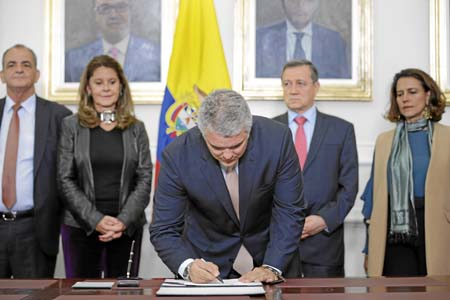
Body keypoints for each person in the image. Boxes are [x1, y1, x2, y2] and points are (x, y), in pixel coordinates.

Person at [150, 89, 305, 283]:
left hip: (270, 259)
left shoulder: (277, 140)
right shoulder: (177, 155)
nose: (228, 155)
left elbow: (290, 211)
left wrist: (272, 267)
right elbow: (163, 228)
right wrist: (188, 267)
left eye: (236, 146)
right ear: (204, 134)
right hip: (208, 268)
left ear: (248, 131)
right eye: (217, 148)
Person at [57, 55, 152, 278]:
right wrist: (96, 220)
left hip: (126, 228)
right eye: (99, 83)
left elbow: (145, 178)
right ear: (88, 88)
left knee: (123, 294)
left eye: (112, 82)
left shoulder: (136, 128)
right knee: (80, 295)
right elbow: (64, 179)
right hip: (80, 228)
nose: (106, 88)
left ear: (121, 87)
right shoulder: (71, 126)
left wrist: (122, 221)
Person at [273, 60, 358, 277]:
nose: (292, 90)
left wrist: (323, 220)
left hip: (325, 246)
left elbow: (348, 188)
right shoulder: (267, 130)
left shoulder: (342, 130)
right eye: (287, 84)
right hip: (277, 246)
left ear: (316, 87)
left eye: (300, 83)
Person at [362, 68, 450, 276]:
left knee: (438, 292)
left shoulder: (447, 138)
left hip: (438, 228)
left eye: (412, 92)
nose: (405, 99)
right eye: (400, 94)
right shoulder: (384, 141)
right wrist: (368, 248)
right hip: (394, 231)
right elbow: (373, 198)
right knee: (398, 292)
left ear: (428, 95)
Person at [0, 44, 72, 278]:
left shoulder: (59, 116)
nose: (19, 69)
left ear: (37, 74)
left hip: (36, 229)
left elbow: (69, 174)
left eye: (26, 64)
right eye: (11, 64)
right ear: (2, 75)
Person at [65, 0, 160, 82]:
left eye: (121, 7)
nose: (113, 15)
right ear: (95, 16)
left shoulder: (157, 56)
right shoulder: (74, 60)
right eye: (105, 8)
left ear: (131, 12)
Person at [256, 0, 350, 79]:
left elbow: (342, 85)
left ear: (317, 4)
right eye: (293, 0)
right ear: (283, 3)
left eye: (308, 0)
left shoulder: (334, 41)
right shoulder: (260, 39)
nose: (301, 6)